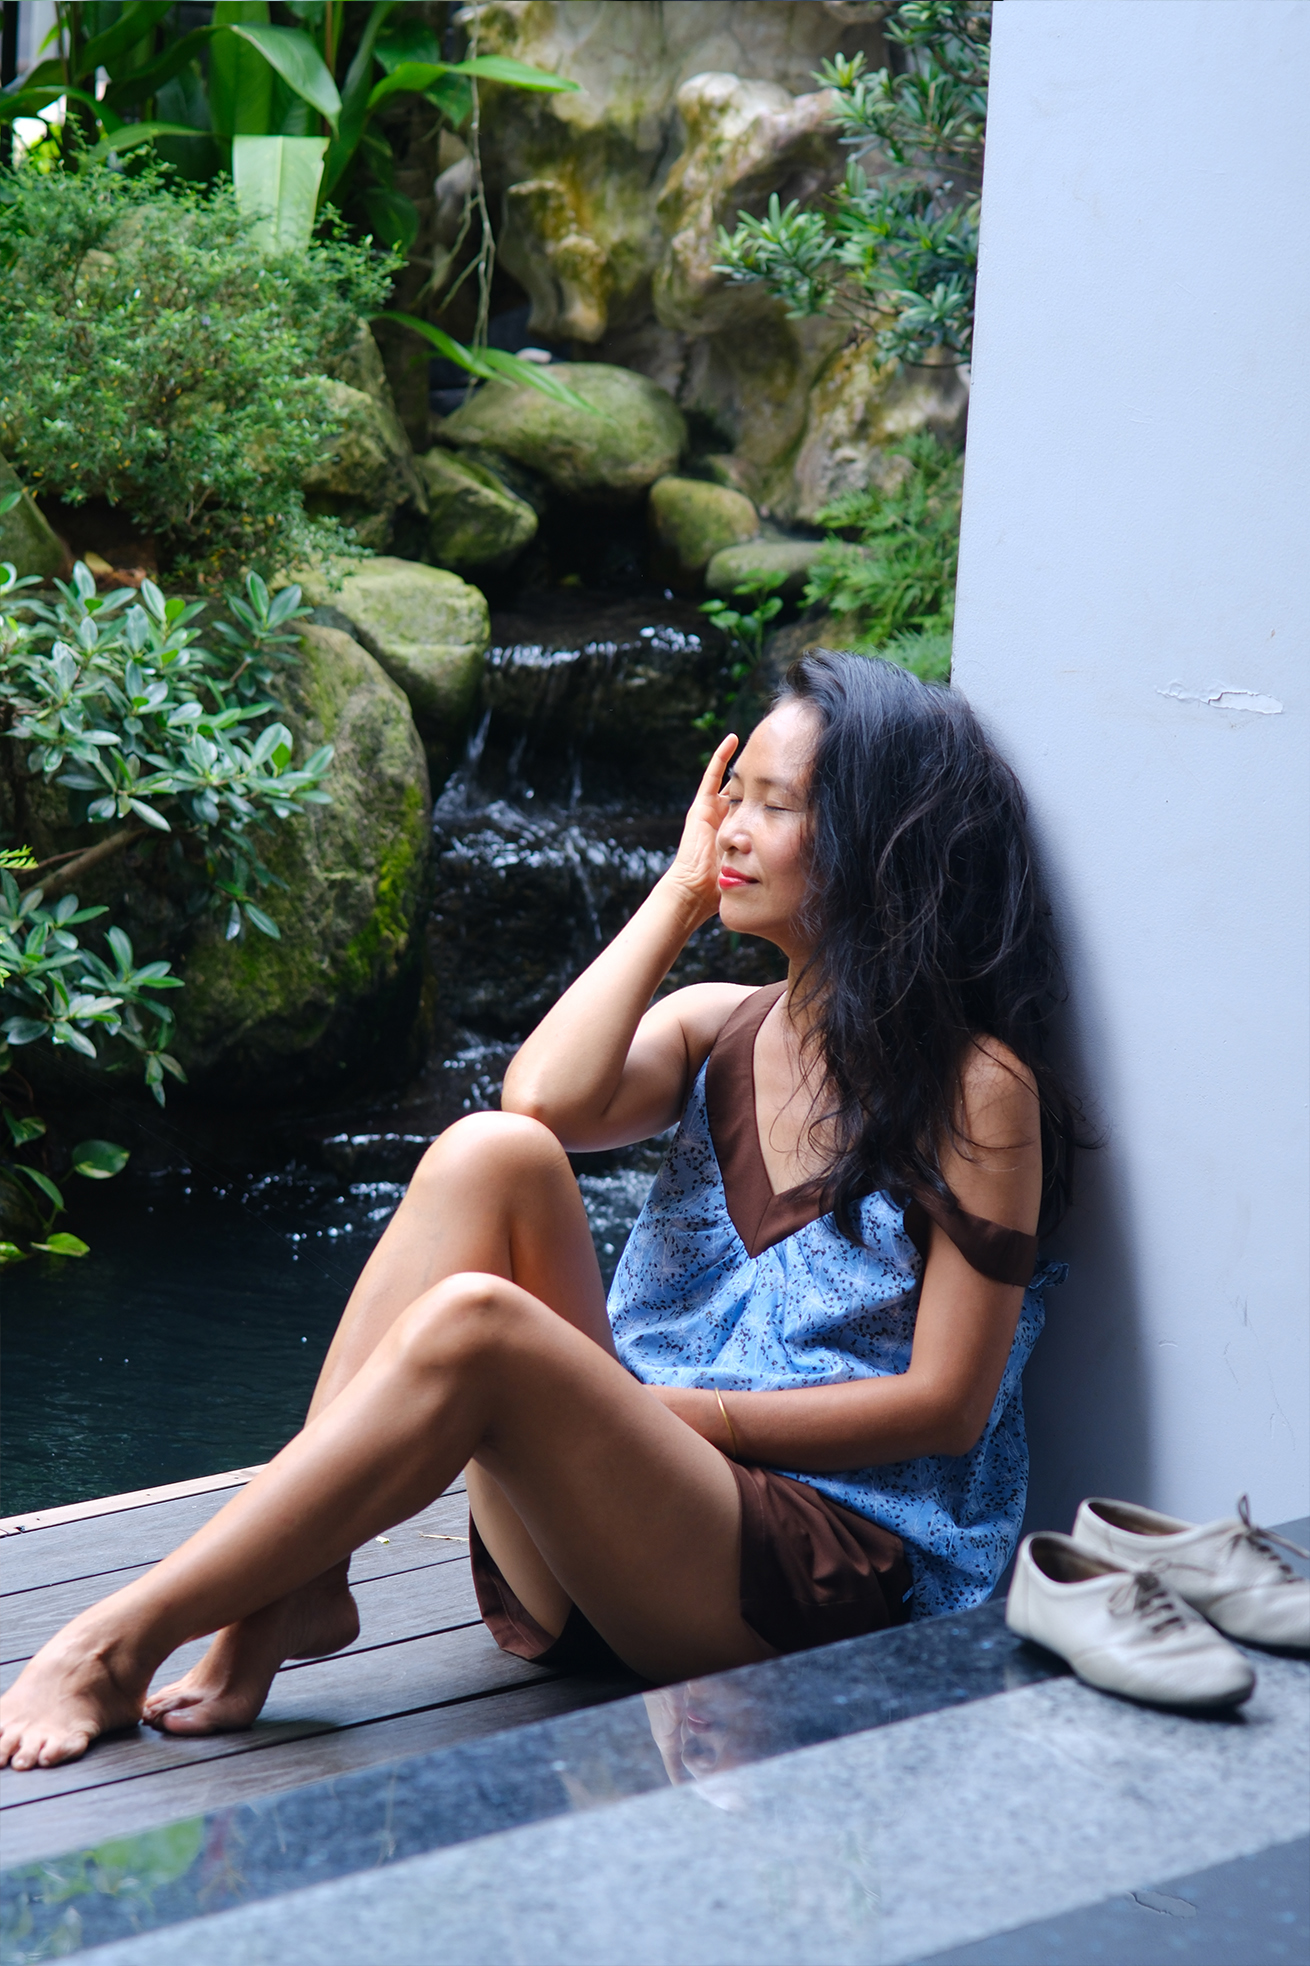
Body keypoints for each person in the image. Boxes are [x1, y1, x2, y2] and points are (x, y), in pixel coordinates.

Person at [0, 651, 1076, 1772]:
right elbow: (542, 1102)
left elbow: (948, 1406)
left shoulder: (975, 1085)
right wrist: (678, 896)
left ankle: (112, 1641)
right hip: (614, 1539)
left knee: (478, 1327)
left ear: (881, 842)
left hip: (813, 1583)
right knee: (490, 1153)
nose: (729, 830)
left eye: (774, 804)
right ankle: (286, 1597)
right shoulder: (721, 1024)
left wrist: (680, 1416)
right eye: (729, 796)